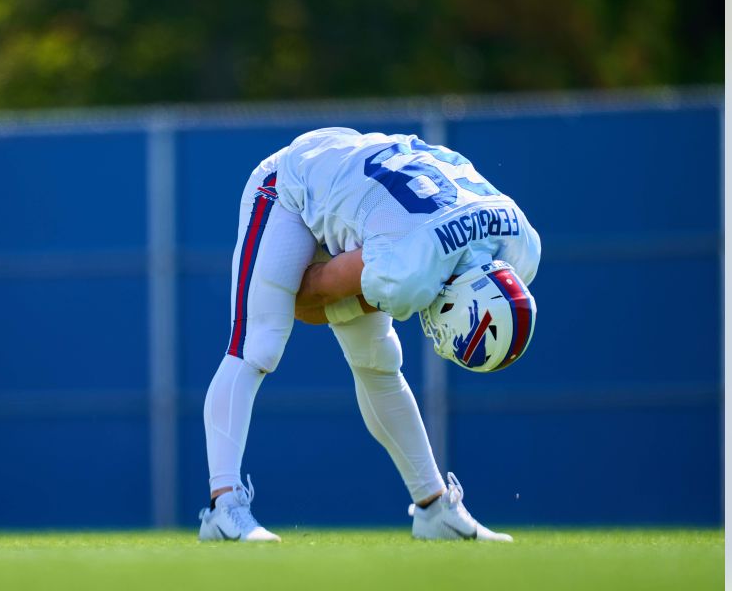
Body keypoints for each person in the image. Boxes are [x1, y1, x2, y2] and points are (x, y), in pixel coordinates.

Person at [197, 127, 541, 543]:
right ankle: (223, 507)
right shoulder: (411, 267)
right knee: (259, 342)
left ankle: (434, 510)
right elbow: (314, 292)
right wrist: (282, 293)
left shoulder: (518, 246)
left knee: (378, 362)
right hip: (292, 184)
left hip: (368, 192)